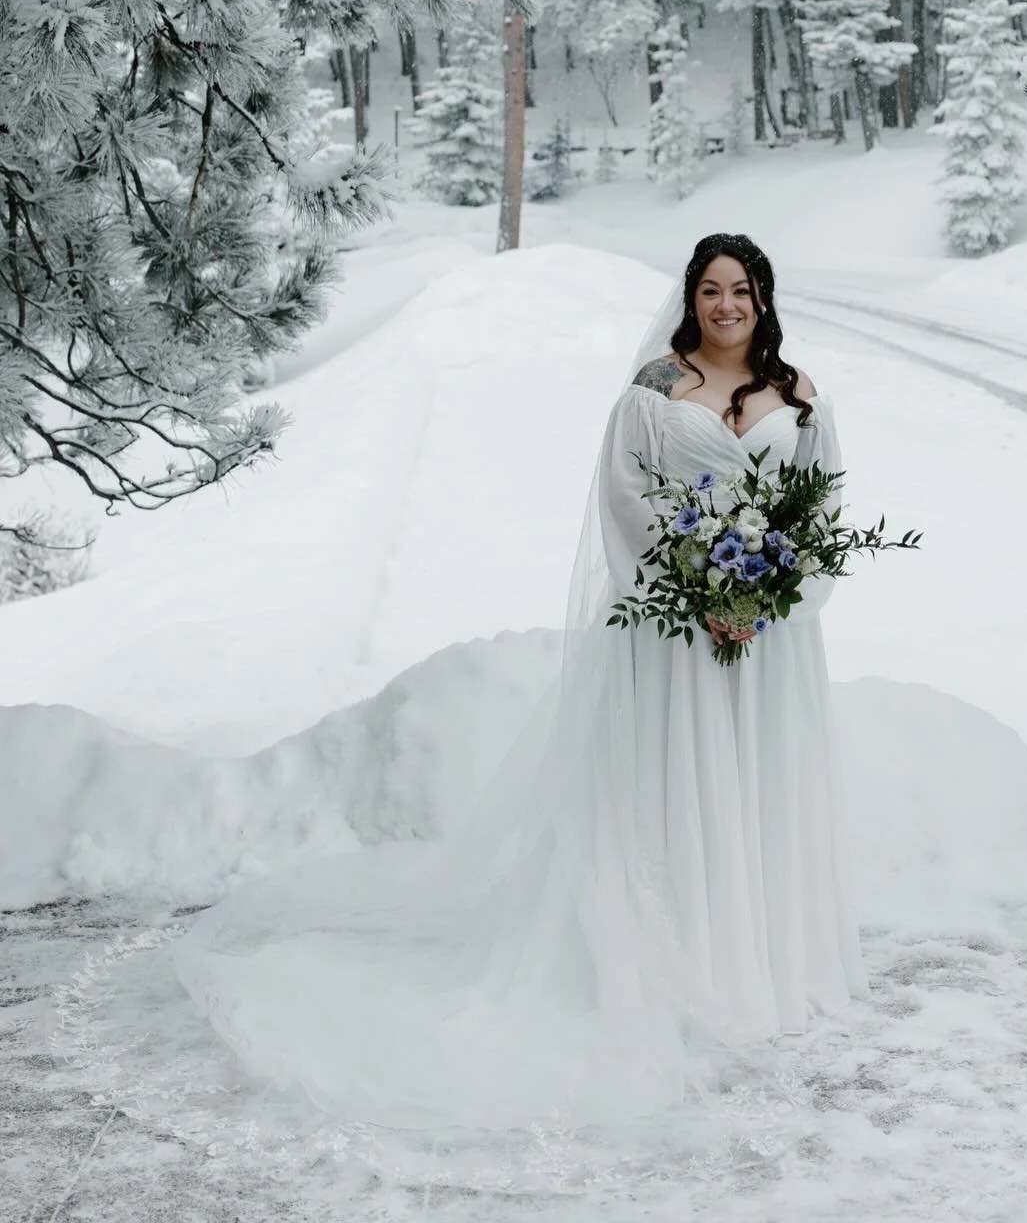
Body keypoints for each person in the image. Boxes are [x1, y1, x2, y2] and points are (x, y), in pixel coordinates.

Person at [170, 234, 865, 1130]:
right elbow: (627, 505)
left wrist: (771, 595)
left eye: (740, 289)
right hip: (680, 628)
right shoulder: (653, 393)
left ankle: (763, 959)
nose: (725, 305)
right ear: (689, 299)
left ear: (764, 297)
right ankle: (683, 960)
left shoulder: (801, 395)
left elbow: (824, 505)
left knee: (761, 782)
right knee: (682, 785)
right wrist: (700, 594)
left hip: (768, 636)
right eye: (708, 290)